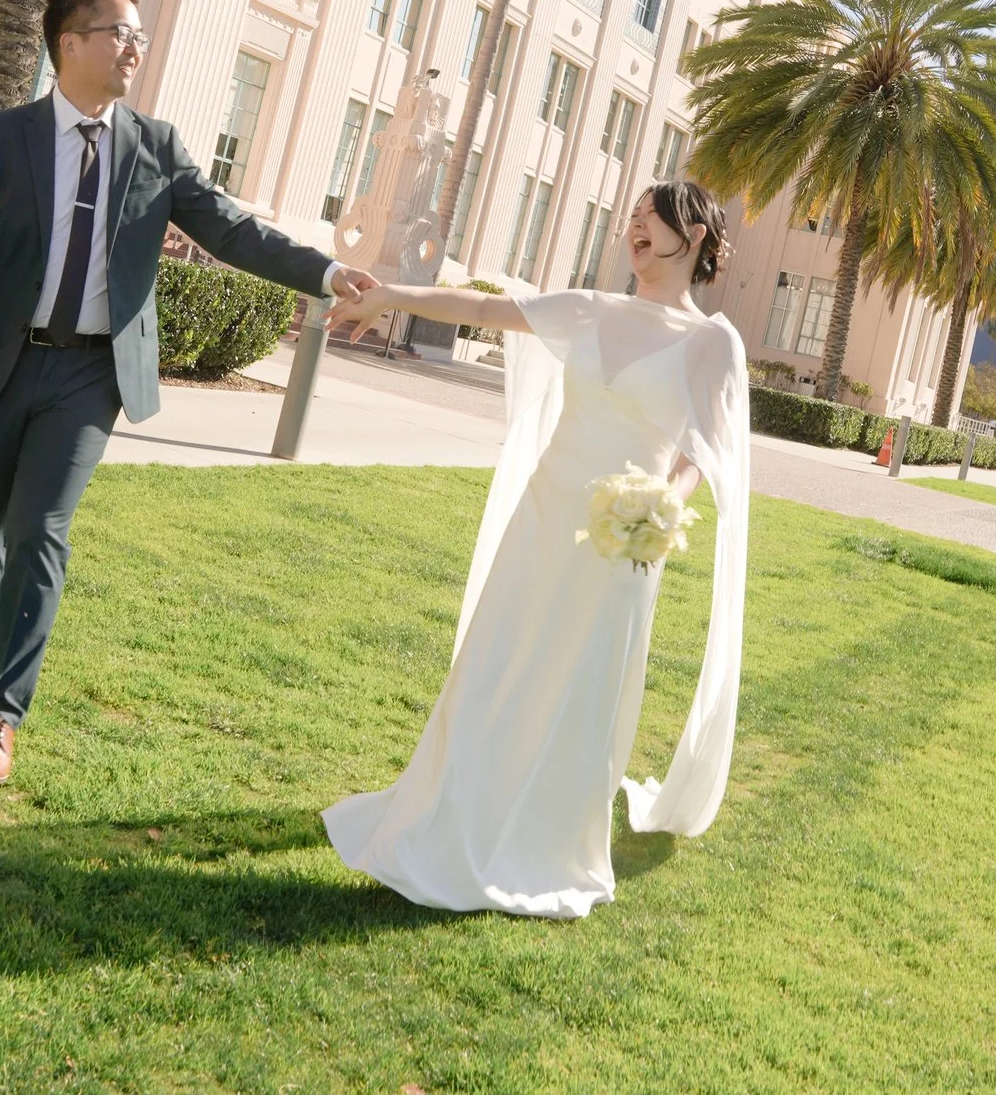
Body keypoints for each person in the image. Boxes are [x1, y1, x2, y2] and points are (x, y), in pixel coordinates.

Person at [0, 0, 379, 785]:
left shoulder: (156, 146)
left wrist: (326, 273)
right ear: (69, 43)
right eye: (118, 32)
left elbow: (232, 229)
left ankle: (1, 715)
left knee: (41, 529)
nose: (134, 48)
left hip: (90, 373)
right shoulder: (1, 138)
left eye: (139, 35)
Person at [319, 182, 752, 918]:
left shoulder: (713, 342)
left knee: (579, 681)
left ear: (699, 238)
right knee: (502, 659)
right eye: (632, 215)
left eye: (653, 216)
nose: (635, 226)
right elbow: (484, 310)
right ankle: (459, 805)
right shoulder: (593, 308)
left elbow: (707, 452)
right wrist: (386, 294)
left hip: (621, 541)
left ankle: (545, 834)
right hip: (544, 517)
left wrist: (663, 503)